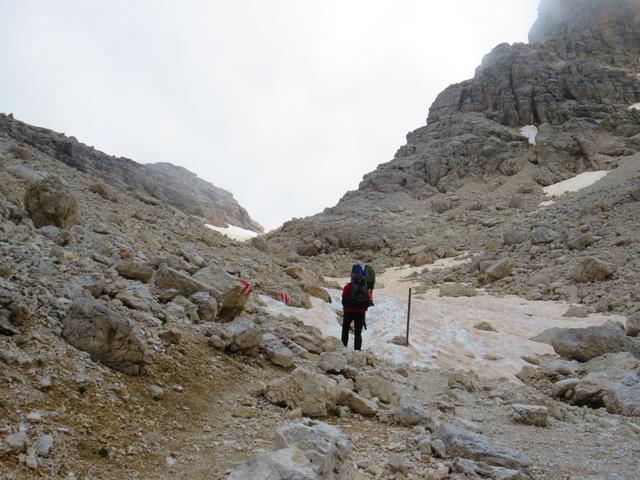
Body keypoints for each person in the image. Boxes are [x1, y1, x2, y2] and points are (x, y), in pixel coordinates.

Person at [341, 264, 370, 350]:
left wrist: (345, 306)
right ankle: (357, 350)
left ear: (352, 275)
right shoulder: (365, 287)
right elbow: (367, 300)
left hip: (348, 311)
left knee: (345, 329)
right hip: (360, 312)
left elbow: (343, 298)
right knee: (358, 332)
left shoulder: (347, 286)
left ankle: (343, 348)